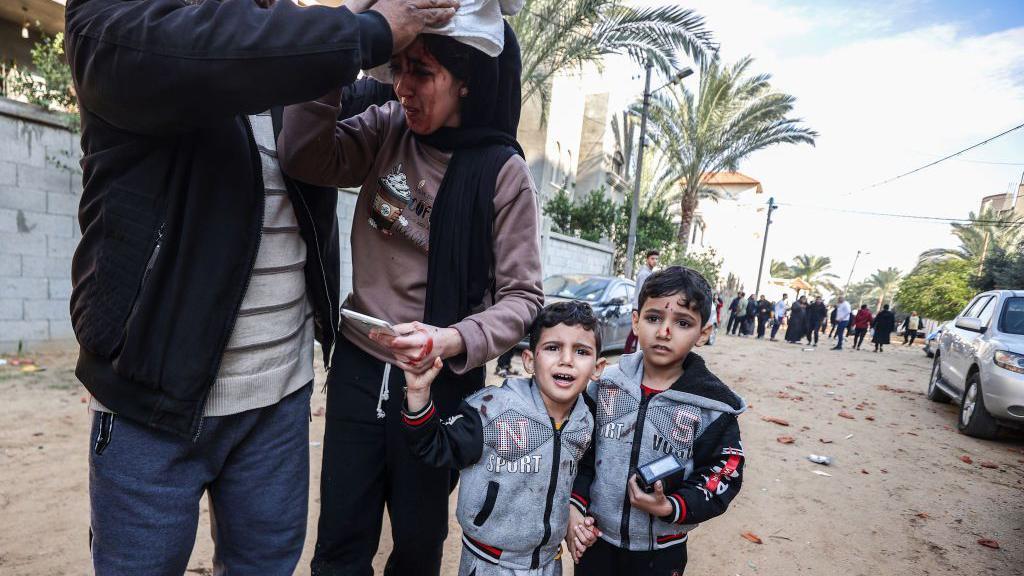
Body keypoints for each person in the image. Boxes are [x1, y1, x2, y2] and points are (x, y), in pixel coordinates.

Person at [64, 0, 457, 572]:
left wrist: (456, 56)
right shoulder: (116, 24)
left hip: (278, 403)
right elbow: (216, 51)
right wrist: (364, 29)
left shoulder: (298, 54)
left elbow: (400, 98)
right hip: (148, 399)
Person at [279, 22, 546, 575]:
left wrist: (450, 339)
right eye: (398, 69)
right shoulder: (386, 129)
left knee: (418, 548)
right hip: (357, 371)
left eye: (422, 72)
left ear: (466, 80)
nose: (402, 87)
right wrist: (335, 47)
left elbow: (522, 298)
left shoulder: (504, 173)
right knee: (339, 545)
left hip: (439, 389)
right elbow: (304, 154)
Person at [401, 301, 606, 575]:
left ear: (597, 367)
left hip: (548, 563)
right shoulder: (492, 412)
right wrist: (417, 393)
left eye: (581, 351)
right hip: (489, 564)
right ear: (530, 360)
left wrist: (574, 509)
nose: (566, 359)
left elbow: (583, 467)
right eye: (553, 348)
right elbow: (434, 445)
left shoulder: (586, 419)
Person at [568, 266, 746, 575]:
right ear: (635, 322)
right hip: (596, 539)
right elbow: (579, 453)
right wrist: (574, 508)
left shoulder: (712, 408)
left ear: (703, 333)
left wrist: (671, 506)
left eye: (682, 322)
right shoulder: (605, 385)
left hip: (662, 553)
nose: (664, 331)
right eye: (653, 318)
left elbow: (724, 471)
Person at [625, 250, 660, 354]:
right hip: (639, 307)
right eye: (652, 259)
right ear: (647, 259)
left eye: (656, 259)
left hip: (640, 306)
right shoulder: (644, 274)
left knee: (634, 333)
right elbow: (642, 293)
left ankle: (628, 354)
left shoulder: (648, 273)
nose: (654, 261)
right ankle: (628, 355)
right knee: (636, 333)